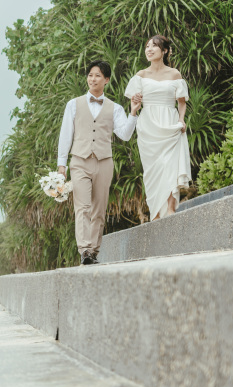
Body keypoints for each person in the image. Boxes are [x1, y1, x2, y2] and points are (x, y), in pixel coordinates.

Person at [58, 60, 141, 266]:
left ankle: (93, 252)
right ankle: (84, 250)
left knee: (99, 209)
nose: (92, 78)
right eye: (90, 75)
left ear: (106, 80)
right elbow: (65, 135)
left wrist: (133, 112)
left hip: (104, 163)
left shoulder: (114, 108)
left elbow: (124, 135)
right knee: (83, 207)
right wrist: (62, 165)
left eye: (97, 75)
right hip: (79, 161)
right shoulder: (73, 104)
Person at [124, 35, 191, 221]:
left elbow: (182, 102)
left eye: (154, 46)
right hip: (148, 125)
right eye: (147, 46)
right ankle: (155, 211)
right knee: (153, 169)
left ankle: (170, 208)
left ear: (165, 51)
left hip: (170, 122)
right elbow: (134, 100)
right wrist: (135, 102)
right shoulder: (140, 75)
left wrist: (181, 119)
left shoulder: (174, 74)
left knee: (170, 165)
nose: (149, 49)